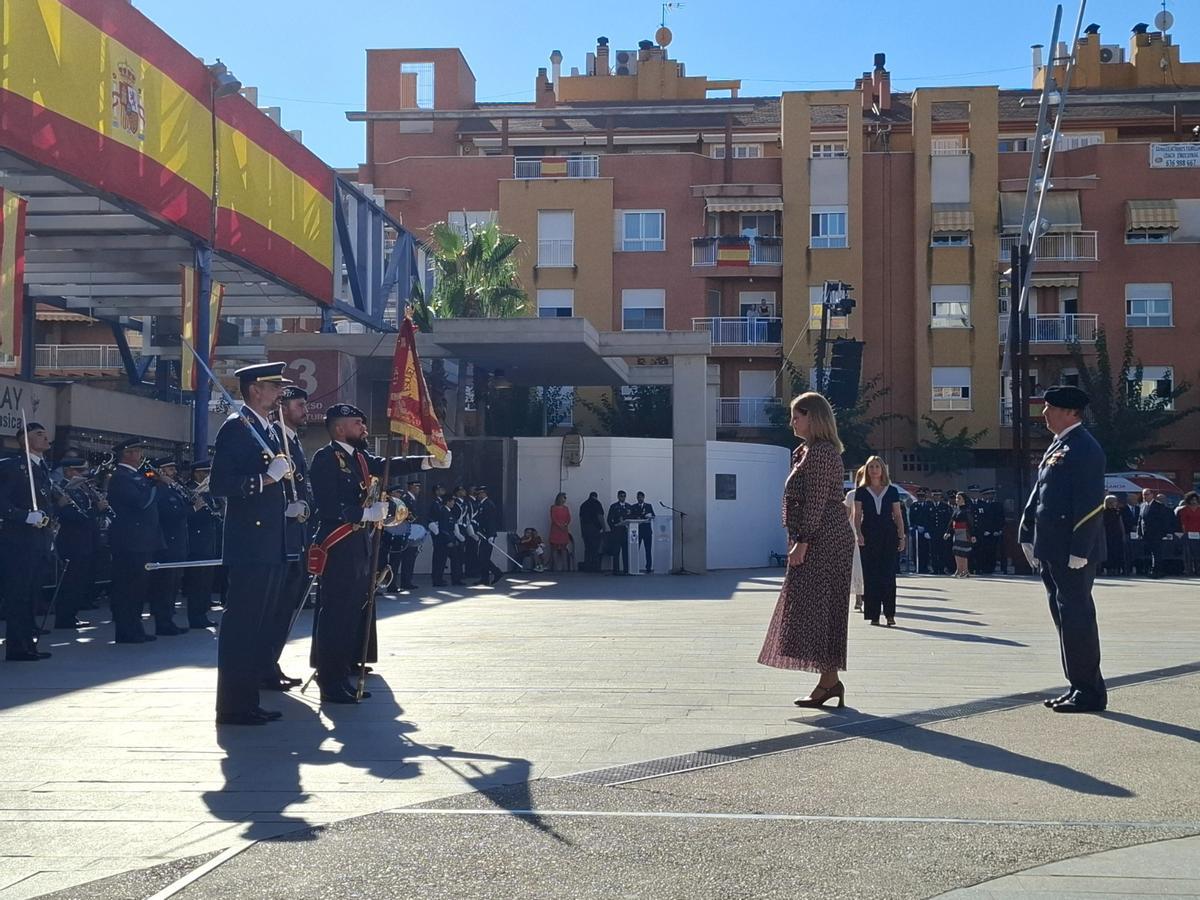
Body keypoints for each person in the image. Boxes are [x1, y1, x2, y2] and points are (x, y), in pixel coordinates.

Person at [308, 403, 441, 703]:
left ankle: (343, 675)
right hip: (338, 545)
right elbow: (328, 507)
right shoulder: (326, 458)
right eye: (358, 423)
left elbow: (387, 465)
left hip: (358, 546)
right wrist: (363, 514)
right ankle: (329, 682)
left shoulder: (360, 458)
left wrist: (428, 462)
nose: (365, 429)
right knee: (335, 616)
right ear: (340, 428)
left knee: (352, 615)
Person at [209, 363, 296, 724]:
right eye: (274, 387)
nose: (280, 394)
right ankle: (232, 705)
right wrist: (265, 479)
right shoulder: (237, 428)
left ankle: (247, 700)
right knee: (242, 625)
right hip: (250, 543)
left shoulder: (268, 431)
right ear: (255, 389)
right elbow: (221, 484)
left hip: (270, 541)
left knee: (258, 624)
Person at [758, 392, 855, 708]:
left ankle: (829, 682)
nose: (792, 422)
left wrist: (803, 541)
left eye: (796, 416)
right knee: (815, 608)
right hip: (818, 536)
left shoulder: (822, 453)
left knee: (819, 608)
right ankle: (829, 681)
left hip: (823, 538)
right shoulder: (807, 451)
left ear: (813, 417)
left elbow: (815, 501)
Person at [1019, 385, 1107, 714]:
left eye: (1050, 408)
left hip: (1072, 550)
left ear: (1071, 412)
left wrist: (1081, 547)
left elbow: (1090, 502)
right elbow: (1041, 492)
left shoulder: (1085, 447)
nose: (1044, 414)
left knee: (1077, 617)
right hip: (1053, 547)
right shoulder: (1061, 444)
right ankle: (1080, 684)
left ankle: (1088, 691)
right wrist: (1027, 530)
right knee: (1065, 618)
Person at [261, 384, 313, 693]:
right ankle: (263, 666)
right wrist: (285, 510)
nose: (305, 411)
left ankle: (270, 663)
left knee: (285, 610)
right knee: (274, 609)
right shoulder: (273, 438)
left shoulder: (292, 440)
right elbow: (270, 485)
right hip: (279, 535)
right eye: (299, 406)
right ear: (282, 407)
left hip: (297, 535)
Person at [0, 420, 56, 660]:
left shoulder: (42, 467)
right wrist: (24, 517)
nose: (46, 438)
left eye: (45, 434)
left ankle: (28, 643)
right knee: (18, 596)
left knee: (32, 595)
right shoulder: (14, 467)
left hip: (38, 540)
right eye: (39, 434)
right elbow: (3, 503)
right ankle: (16, 647)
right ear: (25, 440)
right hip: (18, 542)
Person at [106, 437, 165, 645]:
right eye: (137, 451)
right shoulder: (121, 477)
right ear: (128, 454)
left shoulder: (135, 476)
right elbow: (141, 502)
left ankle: (135, 628)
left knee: (138, 588)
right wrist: (157, 486)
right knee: (128, 588)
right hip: (130, 541)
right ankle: (126, 630)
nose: (140, 455)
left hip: (142, 540)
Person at [52, 456, 106, 630]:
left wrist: (99, 507)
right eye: (79, 471)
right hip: (72, 542)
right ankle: (64, 617)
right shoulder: (62, 489)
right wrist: (95, 510)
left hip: (86, 540)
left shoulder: (82, 489)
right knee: (70, 581)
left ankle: (71, 614)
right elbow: (71, 516)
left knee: (80, 581)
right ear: (69, 472)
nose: (84, 474)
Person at [852, 456, 906, 626]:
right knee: (871, 575)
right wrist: (859, 534)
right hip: (869, 535)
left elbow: (897, 515)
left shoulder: (891, 491)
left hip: (888, 535)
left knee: (888, 574)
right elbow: (857, 515)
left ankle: (890, 613)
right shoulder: (861, 491)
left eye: (877, 466)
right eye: (871, 467)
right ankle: (873, 614)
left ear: (883, 469)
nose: (874, 470)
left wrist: (901, 536)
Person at [147, 458, 188, 635]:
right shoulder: (159, 489)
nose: (173, 472)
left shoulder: (173, 488)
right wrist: (192, 509)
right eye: (169, 469)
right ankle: (163, 622)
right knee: (164, 586)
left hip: (177, 541)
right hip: (166, 543)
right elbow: (169, 513)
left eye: (173, 468)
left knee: (173, 585)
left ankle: (168, 620)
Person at [183, 460, 221, 629]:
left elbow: (216, 509)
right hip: (197, 541)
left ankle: (203, 611)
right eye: (205, 473)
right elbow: (189, 515)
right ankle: (196, 615)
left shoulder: (209, 490)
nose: (207, 476)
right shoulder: (191, 489)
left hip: (209, 540)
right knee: (197, 581)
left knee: (206, 580)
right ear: (197, 473)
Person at [392, 478, 423, 591]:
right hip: (403, 532)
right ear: (411, 487)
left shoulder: (413, 499)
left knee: (409, 558)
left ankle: (407, 581)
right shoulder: (406, 499)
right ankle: (393, 584)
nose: (418, 489)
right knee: (397, 559)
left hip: (411, 532)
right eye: (416, 486)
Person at [1138, 489, 1176, 578]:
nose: (1145, 496)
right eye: (1143, 495)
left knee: (1156, 553)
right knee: (1149, 552)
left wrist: (1167, 532)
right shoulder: (1142, 505)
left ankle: (1157, 570)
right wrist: (1139, 532)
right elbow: (1140, 520)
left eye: (1147, 494)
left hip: (1156, 533)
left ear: (1152, 495)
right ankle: (1150, 569)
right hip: (1146, 533)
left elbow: (1164, 520)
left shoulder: (1159, 506)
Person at [473, 485, 503, 586]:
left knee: (483, 557)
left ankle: (496, 572)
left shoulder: (488, 504)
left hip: (488, 534)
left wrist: (491, 535)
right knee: (482, 557)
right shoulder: (482, 504)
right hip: (483, 533)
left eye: (479, 494)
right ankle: (484, 578)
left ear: (484, 494)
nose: (477, 496)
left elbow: (491, 521)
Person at [428, 484, 453, 587]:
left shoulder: (441, 503)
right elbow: (435, 518)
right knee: (439, 557)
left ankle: (439, 577)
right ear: (437, 491)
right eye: (441, 489)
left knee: (442, 558)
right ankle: (437, 578)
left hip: (442, 533)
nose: (443, 491)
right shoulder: (435, 503)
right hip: (439, 533)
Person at [844, 487, 864, 611]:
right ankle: (858, 595)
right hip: (854, 532)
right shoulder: (851, 494)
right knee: (857, 565)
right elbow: (846, 516)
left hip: (870, 530)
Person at [976, 488, 1004, 575]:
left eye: (992, 494)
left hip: (994, 533)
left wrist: (998, 530)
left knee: (993, 551)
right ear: (984, 495)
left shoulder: (997, 505)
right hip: (983, 533)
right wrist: (983, 530)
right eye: (988, 494)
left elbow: (1000, 518)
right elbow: (979, 519)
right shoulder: (979, 504)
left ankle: (991, 567)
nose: (990, 496)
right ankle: (983, 567)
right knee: (982, 550)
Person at [948, 491, 976, 578]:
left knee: (963, 552)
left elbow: (970, 523)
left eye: (959, 498)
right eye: (956, 498)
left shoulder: (967, 510)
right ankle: (958, 569)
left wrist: (973, 535)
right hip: (956, 532)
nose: (957, 500)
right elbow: (951, 522)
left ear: (964, 499)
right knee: (956, 551)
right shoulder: (956, 509)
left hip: (964, 532)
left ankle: (965, 570)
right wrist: (948, 532)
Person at [578, 491, 605, 572]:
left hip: (585, 528)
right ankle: (595, 568)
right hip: (594, 529)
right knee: (595, 548)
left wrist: (582, 531)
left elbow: (581, 519)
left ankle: (587, 567)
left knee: (587, 548)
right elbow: (600, 516)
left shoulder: (583, 505)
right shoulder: (597, 503)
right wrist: (604, 528)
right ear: (596, 496)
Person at [908, 489, 934, 574]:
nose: (921, 498)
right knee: (916, 549)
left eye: (922, 496)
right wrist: (916, 527)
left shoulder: (929, 506)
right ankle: (917, 566)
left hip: (926, 531)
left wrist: (926, 529)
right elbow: (911, 519)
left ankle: (925, 567)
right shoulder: (913, 506)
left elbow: (930, 519)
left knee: (925, 550)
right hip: (916, 531)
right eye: (919, 496)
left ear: (925, 497)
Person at [630, 491, 655, 573]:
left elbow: (653, 515)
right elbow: (631, 516)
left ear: (644, 497)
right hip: (637, 531)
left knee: (648, 550)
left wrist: (649, 516)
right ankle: (634, 567)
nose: (639, 498)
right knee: (635, 549)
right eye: (638, 497)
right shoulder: (633, 507)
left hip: (647, 531)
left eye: (641, 497)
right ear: (637, 498)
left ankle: (648, 568)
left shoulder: (648, 506)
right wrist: (639, 517)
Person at [607, 490, 631, 575]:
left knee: (626, 552)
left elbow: (632, 517)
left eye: (624, 496)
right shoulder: (614, 506)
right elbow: (609, 519)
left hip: (626, 532)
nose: (623, 498)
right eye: (621, 496)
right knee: (616, 551)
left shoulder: (628, 506)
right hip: (617, 532)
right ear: (618, 497)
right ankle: (616, 570)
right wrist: (614, 528)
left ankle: (626, 570)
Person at [1101, 495, 1127, 576]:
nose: (1116, 503)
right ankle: (1109, 569)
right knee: (1109, 553)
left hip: (1117, 535)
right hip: (1107, 535)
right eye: (1115, 501)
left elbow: (1121, 523)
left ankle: (1117, 568)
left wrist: (1123, 534)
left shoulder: (1117, 512)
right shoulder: (1103, 512)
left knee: (1117, 552)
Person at [548, 492, 572, 572]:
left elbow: (568, 518)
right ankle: (555, 567)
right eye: (564, 497)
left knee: (563, 549)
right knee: (554, 548)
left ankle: (565, 567)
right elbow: (553, 518)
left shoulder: (566, 508)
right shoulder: (553, 508)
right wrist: (559, 525)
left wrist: (565, 524)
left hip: (564, 530)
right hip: (556, 530)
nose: (565, 499)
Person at [931, 490, 954, 575]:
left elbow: (949, 520)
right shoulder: (929, 506)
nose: (936, 497)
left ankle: (941, 568)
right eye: (935, 495)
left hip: (942, 533)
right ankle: (935, 569)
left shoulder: (945, 507)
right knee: (933, 551)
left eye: (938, 496)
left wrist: (947, 531)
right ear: (932, 496)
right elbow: (926, 520)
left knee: (942, 551)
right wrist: (927, 531)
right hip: (932, 533)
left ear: (940, 497)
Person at [1177, 491, 1200, 576]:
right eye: (1192, 499)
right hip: (1188, 534)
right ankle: (1188, 570)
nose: (1194, 501)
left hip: (1199, 534)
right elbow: (1183, 522)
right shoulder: (1184, 510)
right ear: (1188, 500)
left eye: (1195, 499)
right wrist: (1184, 533)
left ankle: (1198, 570)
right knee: (1188, 554)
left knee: (1198, 554)